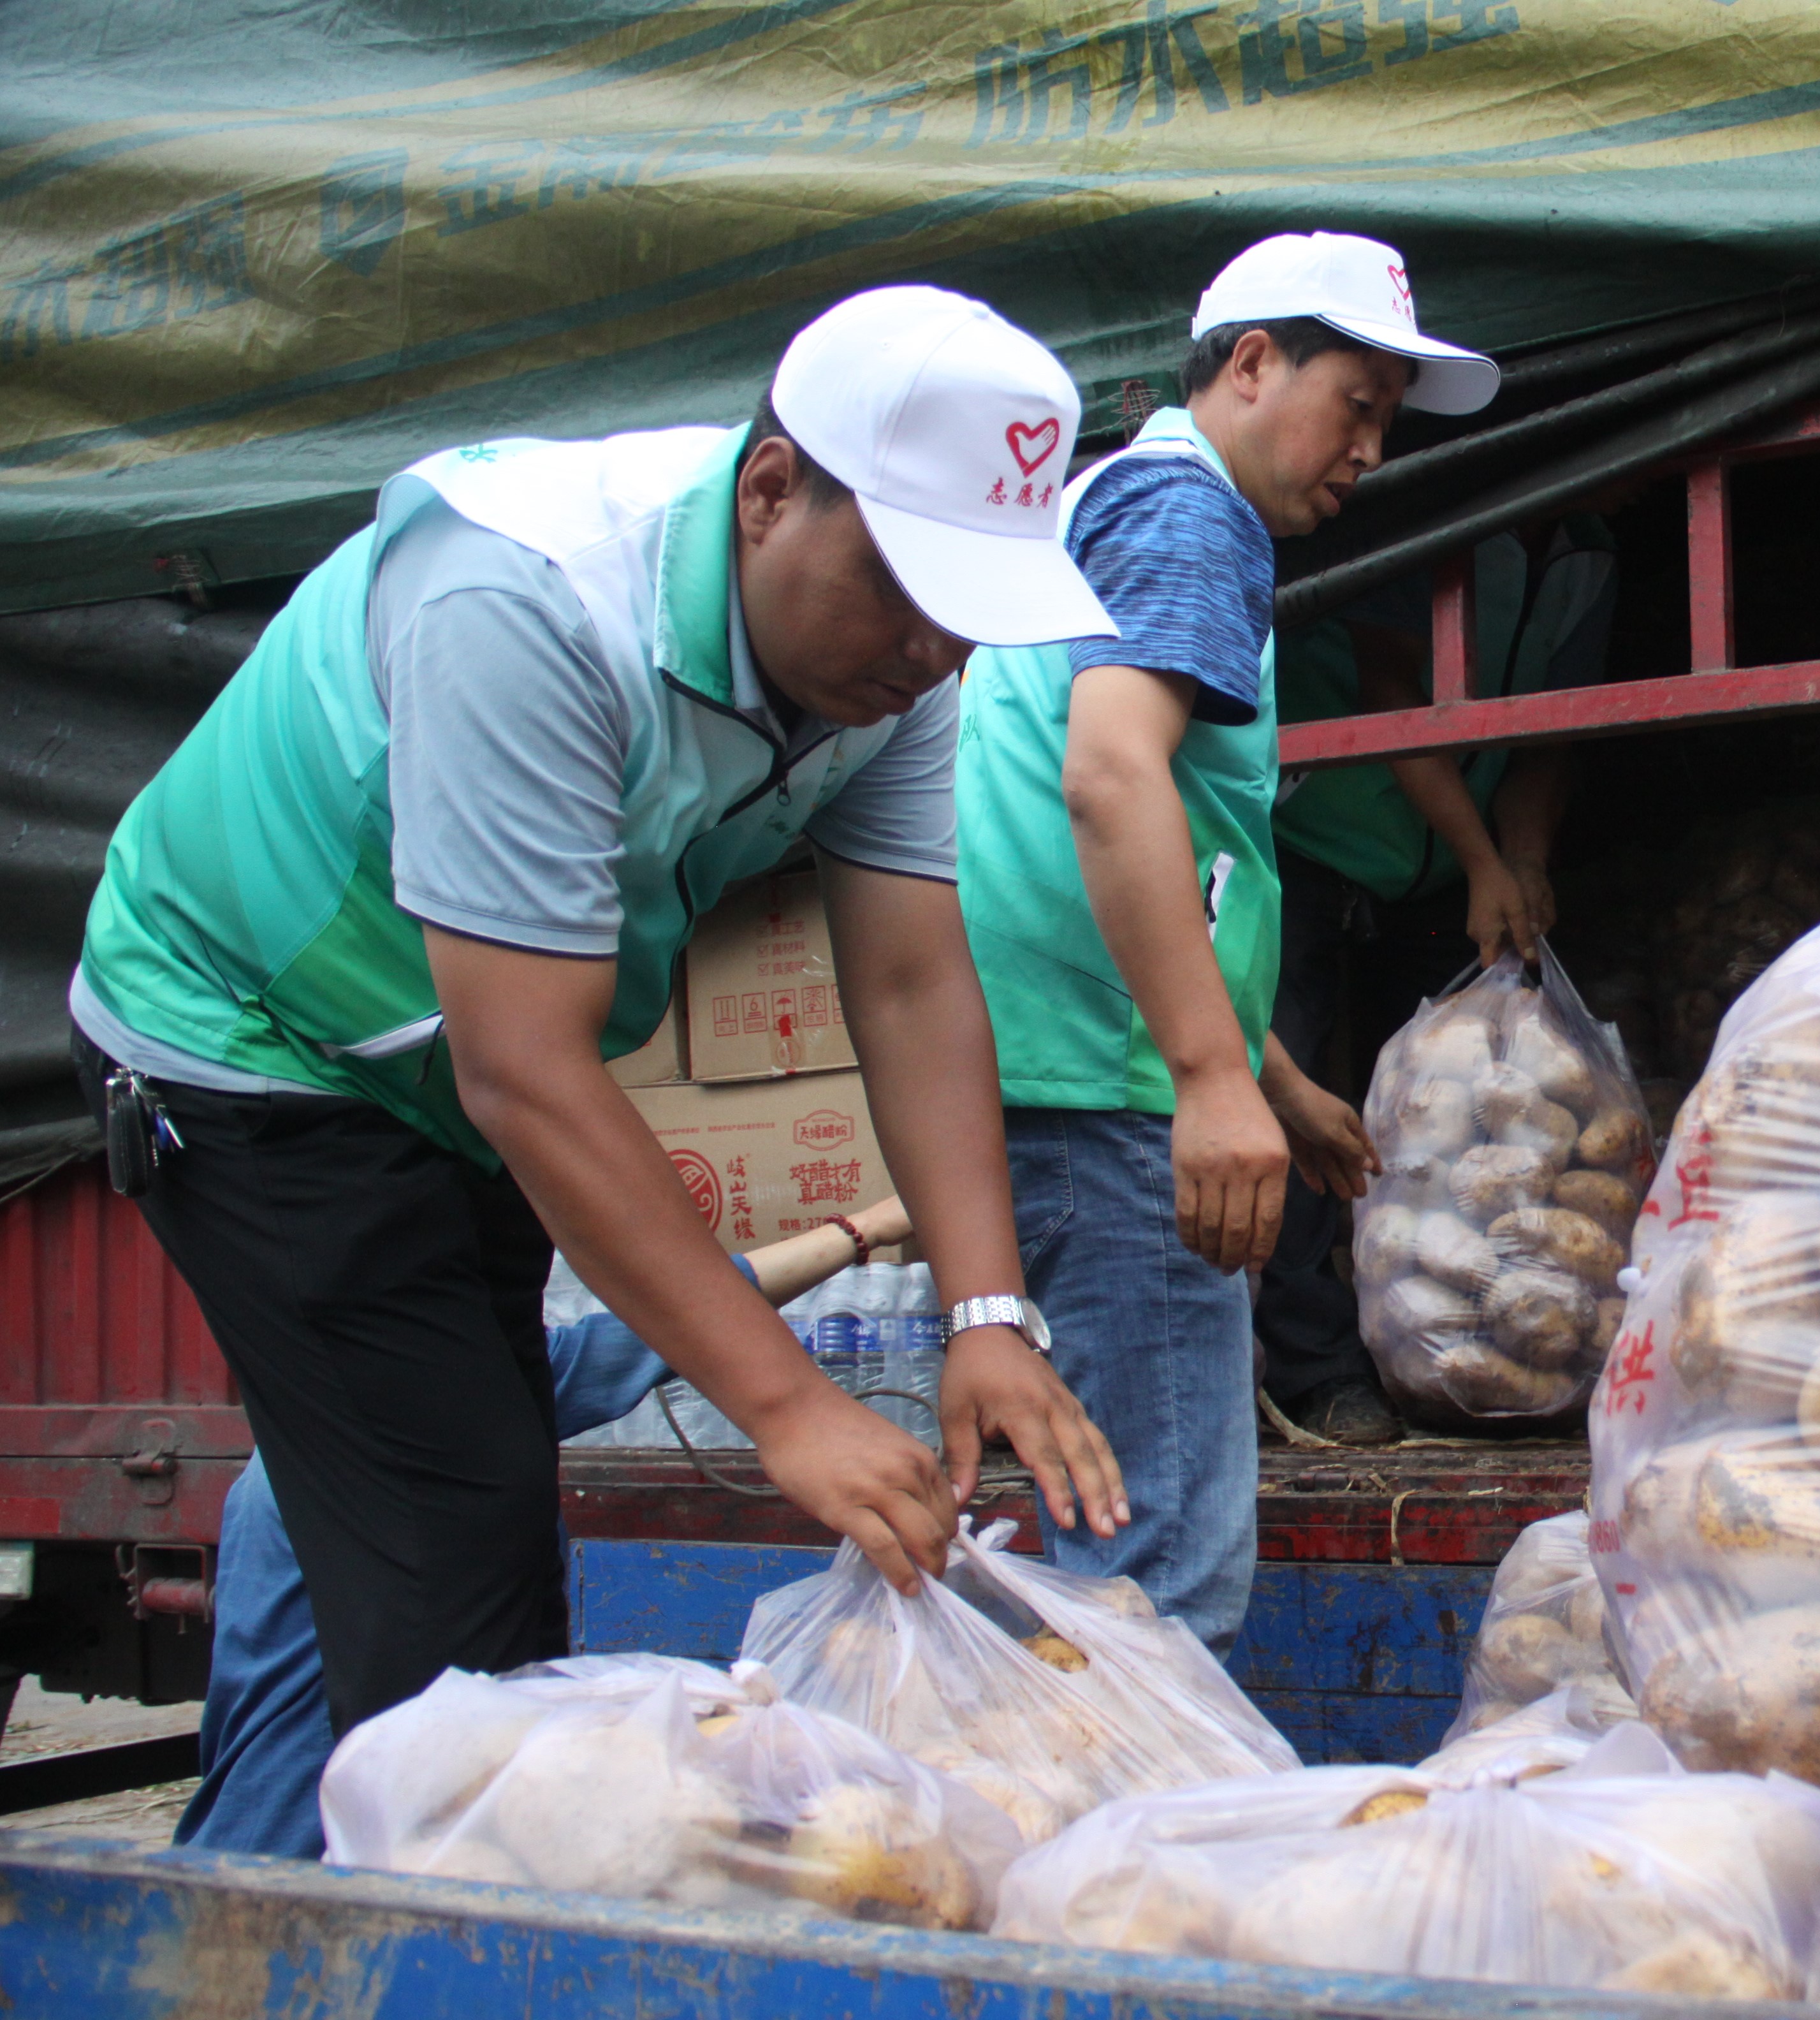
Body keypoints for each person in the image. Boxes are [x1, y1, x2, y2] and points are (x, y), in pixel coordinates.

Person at [69, 286, 1128, 1750]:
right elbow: (527, 1066)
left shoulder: (894, 670)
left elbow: (907, 980)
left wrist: (987, 1311)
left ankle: (404, 1848)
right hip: (256, 1042)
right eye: (911, 586)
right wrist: (788, 1407)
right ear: (770, 491)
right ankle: (435, 1918)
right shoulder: (529, 598)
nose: (941, 649)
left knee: (467, 1519)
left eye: (975, 612)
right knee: (455, 1560)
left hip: (450, 1075)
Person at [954, 233, 1499, 1645]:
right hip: (1113, 1108)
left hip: (1072, 1085)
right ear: (1251, 365)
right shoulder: (1193, 516)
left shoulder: (1114, 508)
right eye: (1358, 405)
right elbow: (1110, 777)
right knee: (1162, 1589)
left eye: (1387, 422)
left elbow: (1153, 864)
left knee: (1106, 1555)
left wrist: (1267, 1076)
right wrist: (1206, 1084)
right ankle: (1109, 1865)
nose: (1371, 450)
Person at [179, 1200, 915, 1858]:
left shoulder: (401, 1401)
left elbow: (669, 1323)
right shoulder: (390, 1435)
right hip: (289, 1869)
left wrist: (864, 1230)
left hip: (321, 1853)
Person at [1256, 516, 1620, 1443]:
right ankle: (1317, 1366)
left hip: (1439, 864)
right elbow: (1389, 691)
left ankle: (1431, 1345)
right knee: (1295, 1093)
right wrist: (1483, 860)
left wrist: (1522, 859)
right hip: (1314, 833)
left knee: (1432, 1122)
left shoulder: (1588, 554)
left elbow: (1553, 738)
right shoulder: (1450, 512)